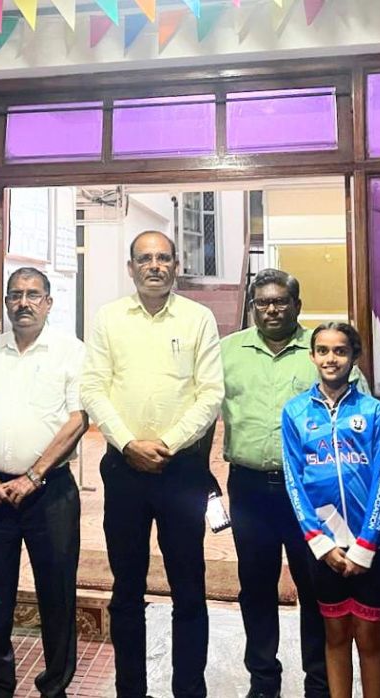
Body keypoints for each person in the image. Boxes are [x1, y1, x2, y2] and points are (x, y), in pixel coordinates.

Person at [81, 231, 224, 698]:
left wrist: (166, 444)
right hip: (124, 471)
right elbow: (93, 389)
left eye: (163, 258)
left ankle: (189, 690)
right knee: (126, 588)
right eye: (145, 259)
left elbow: (211, 394)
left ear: (176, 265)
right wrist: (127, 444)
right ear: (131, 268)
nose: (155, 266)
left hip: (181, 472)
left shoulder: (198, 319)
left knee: (189, 588)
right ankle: (130, 689)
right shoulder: (109, 318)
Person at [220, 269, 371, 698]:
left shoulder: (322, 349)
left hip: (311, 493)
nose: (271, 309)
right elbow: (207, 407)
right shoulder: (228, 351)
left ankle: (319, 684)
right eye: (263, 302)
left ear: (297, 306)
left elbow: (358, 416)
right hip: (249, 488)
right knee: (256, 588)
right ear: (252, 306)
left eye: (280, 302)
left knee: (316, 586)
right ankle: (263, 681)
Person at [0, 267, 88, 698]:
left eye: (33, 294)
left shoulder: (70, 352)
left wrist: (33, 476)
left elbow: (78, 420)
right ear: (6, 302)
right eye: (15, 295)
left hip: (50, 493)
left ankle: (54, 686)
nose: (24, 303)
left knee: (56, 592)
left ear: (49, 302)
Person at [282, 322, 380, 698]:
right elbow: (294, 482)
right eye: (324, 351)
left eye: (341, 351)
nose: (332, 358)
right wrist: (320, 542)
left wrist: (366, 545)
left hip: (371, 545)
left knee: (369, 636)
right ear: (312, 356)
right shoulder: (295, 412)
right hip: (325, 547)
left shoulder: (374, 412)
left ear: (354, 357)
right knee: (335, 635)